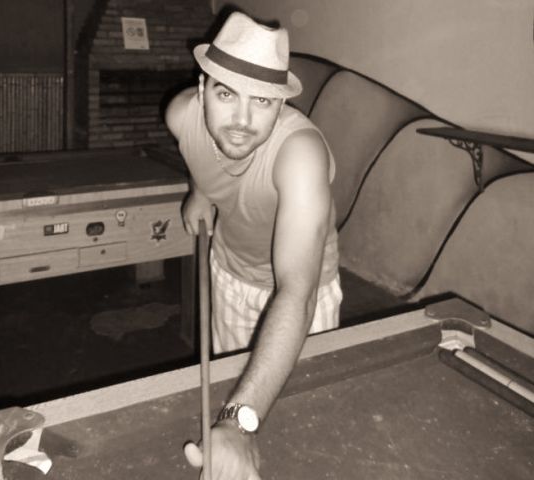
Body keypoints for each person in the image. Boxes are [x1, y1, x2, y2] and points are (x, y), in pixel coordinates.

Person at [165, 11, 342, 480]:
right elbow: (198, 152)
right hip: (228, 274)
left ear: (280, 105)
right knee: (234, 387)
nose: (241, 121)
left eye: (262, 100)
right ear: (202, 89)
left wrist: (239, 423)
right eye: (226, 94)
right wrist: (200, 192)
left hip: (302, 296)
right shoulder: (181, 115)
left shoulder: (301, 154)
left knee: (302, 421)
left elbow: (297, 292)